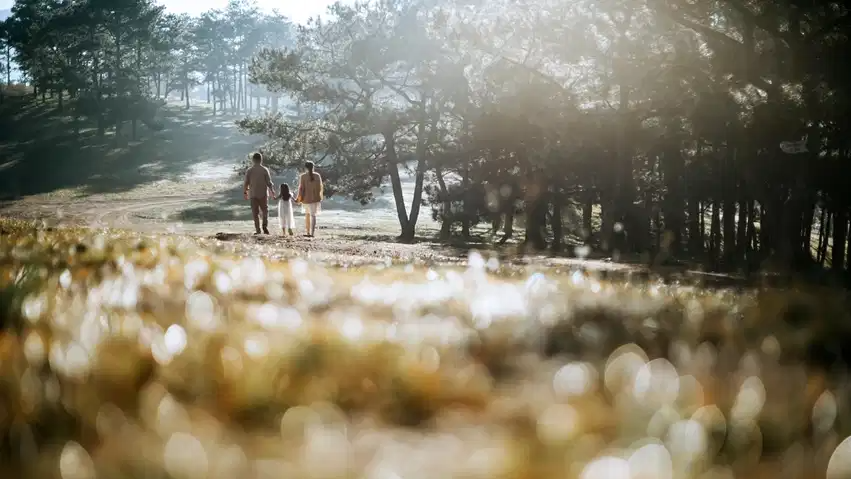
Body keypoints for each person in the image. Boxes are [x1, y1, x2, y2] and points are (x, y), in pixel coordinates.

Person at [243, 152, 275, 234]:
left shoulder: (249, 170)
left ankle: (258, 229)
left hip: (253, 194)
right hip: (263, 194)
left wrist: (245, 192)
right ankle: (265, 226)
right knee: (265, 211)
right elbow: (269, 182)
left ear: (253, 160)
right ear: (261, 160)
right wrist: (272, 190)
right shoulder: (264, 170)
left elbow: (246, 182)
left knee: (255, 213)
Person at [295, 161, 323, 237]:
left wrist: (298, 198)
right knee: (313, 215)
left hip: (306, 199)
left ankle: (307, 232)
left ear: (305, 168)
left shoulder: (303, 176)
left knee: (307, 215)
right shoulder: (317, 175)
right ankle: (312, 233)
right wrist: (318, 196)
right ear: (313, 167)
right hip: (315, 198)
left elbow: (301, 189)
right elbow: (320, 187)